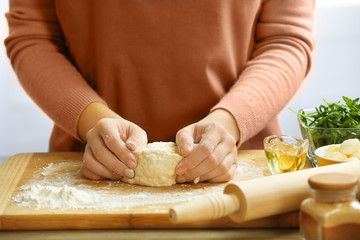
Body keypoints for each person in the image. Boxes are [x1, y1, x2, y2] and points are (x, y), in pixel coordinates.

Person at [5, 0, 314, 183]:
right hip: (89, 169)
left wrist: (230, 121)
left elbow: (286, 40)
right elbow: (33, 36)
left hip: (239, 170)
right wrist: (89, 118)